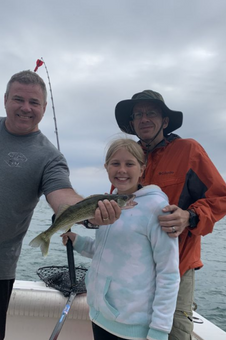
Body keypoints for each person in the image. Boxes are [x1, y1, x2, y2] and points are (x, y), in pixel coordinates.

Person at [0, 70, 120, 340]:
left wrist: (93, 213)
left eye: (34, 102)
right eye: (18, 99)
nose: (25, 108)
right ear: (5, 99)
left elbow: (62, 196)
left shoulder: (49, 156)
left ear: (44, 108)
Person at [114, 90, 226, 340]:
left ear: (165, 121)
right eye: (138, 114)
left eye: (152, 113)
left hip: (177, 266)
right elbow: (118, 209)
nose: (144, 119)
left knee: (174, 332)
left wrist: (188, 216)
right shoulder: (128, 156)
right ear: (132, 122)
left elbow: (219, 198)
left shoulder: (188, 150)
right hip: (134, 268)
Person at [63, 138, 180, 340]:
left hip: (132, 327)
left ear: (142, 168)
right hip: (100, 316)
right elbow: (106, 250)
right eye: (115, 163)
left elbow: (168, 273)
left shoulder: (157, 209)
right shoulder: (108, 204)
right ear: (106, 167)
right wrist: (78, 242)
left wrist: (159, 330)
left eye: (130, 164)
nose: (122, 170)